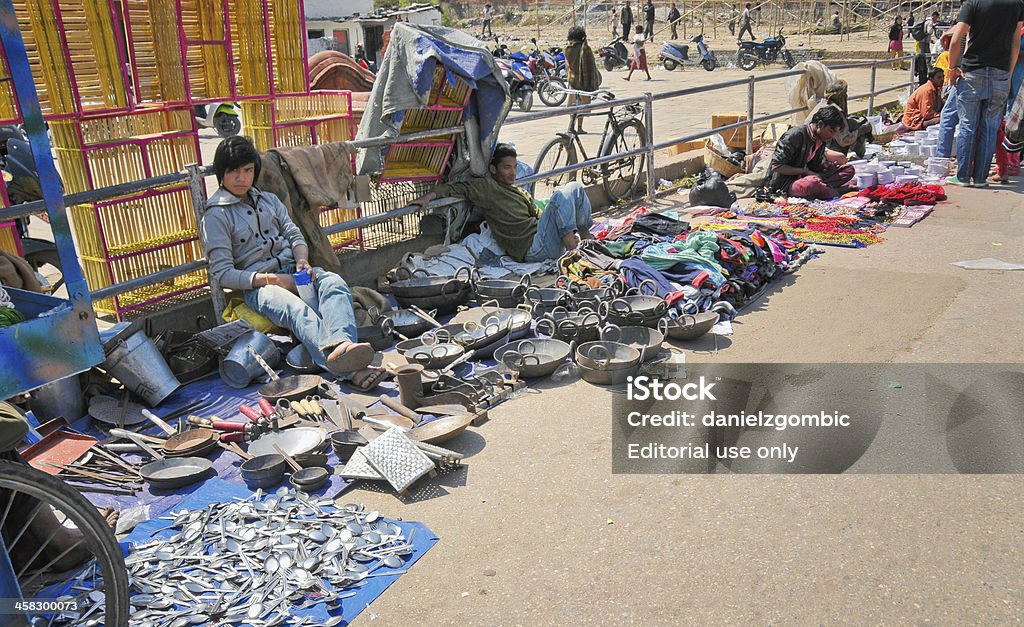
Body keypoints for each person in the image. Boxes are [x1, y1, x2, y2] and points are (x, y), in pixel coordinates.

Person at [201, 136, 384, 387]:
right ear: (222, 173)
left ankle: (342, 345)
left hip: (292, 270)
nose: (242, 178)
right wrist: (274, 280)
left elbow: (294, 234)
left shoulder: (269, 201)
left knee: (333, 282)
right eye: (234, 171)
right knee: (296, 310)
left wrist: (302, 261)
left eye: (247, 170)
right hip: (260, 288)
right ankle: (349, 370)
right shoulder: (216, 216)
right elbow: (223, 274)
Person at [409, 144, 593, 263]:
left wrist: (554, 216)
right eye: (507, 167)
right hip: (532, 249)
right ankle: (573, 248)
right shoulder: (487, 188)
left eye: (514, 167)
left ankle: (585, 239)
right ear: (493, 169)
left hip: (544, 239)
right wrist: (428, 197)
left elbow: (537, 214)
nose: (513, 172)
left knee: (575, 189)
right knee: (563, 194)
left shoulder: (518, 191)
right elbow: (455, 187)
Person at [945, 0, 1023, 187]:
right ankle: (980, 178)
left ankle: (963, 176)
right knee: (990, 129)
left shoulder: (973, 4)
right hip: (1001, 74)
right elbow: (1015, 43)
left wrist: (952, 68)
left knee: (968, 127)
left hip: (972, 73)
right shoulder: (1017, 5)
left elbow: (956, 40)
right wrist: (1009, 74)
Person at [768, 106, 855, 199]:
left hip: (807, 177)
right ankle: (835, 191)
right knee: (812, 184)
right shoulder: (794, 136)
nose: (833, 136)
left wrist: (826, 166)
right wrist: (805, 171)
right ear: (820, 124)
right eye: (831, 131)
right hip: (787, 184)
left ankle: (825, 189)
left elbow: (814, 167)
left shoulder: (821, 140)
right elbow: (776, 166)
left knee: (849, 169)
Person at [564, 26, 601, 133]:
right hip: (584, 82)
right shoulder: (586, 49)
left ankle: (571, 127)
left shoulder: (567, 49)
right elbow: (590, 67)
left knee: (573, 106)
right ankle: (579, 127)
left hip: (572, 81)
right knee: (581, 105)